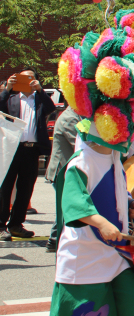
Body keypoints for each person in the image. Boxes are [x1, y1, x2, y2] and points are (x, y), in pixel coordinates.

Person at [49, 25, 134, 316]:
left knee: (133, 309)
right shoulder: (80, 160)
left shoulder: (111, 156)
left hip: (118, 255)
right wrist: (100, 221)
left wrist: (129, 204)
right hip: (86, 256)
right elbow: (75, 204)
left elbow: (116, 189)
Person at [0, 68, 57, 240]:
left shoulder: (39, 100)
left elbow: (51, 108)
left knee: (25, 189)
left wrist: (40, 90)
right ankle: (1, 225)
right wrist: (7, 88)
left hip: (32, 150)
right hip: (12, 149)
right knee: (5, 187)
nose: (28, 81)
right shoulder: (11, 99)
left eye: (31, 78)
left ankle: (16, 224)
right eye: (24, 78)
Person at [45, 106, 82, 252]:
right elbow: (80, 145)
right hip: (61, 171)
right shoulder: (69, 118)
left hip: (68, 170)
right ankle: (54, 240)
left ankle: (54, 239)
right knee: (65, 208)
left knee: (64, 207)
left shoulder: (77, 115)